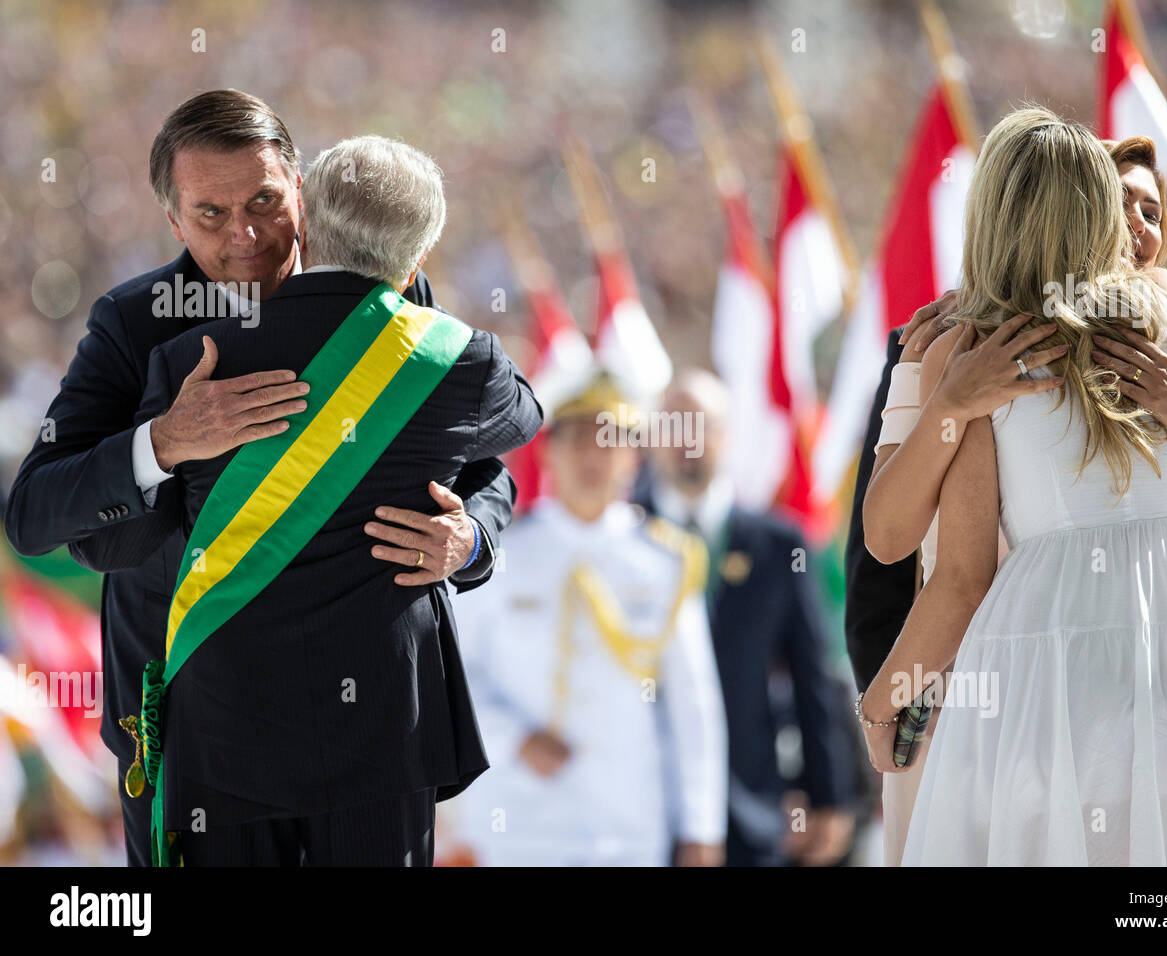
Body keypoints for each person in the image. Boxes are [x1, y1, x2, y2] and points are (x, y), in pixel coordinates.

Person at [2, 90, 518, 866]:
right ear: (172, 220)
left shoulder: (393, 296)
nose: (244, 233)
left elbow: (487, 468)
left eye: (265, 202)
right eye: (210, 214)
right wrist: (164, 442)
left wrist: (469, 537)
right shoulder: (136, 323)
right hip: (196, 727)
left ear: (301, 190)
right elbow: (34, 513)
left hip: (373, 726)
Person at [865, 107, 1167, 865]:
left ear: (997, 211)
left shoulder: (969, 347)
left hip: (1042, 671)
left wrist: (882, 700)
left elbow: (961, 578)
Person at [124, 134, 542, 865]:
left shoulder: (189, 360)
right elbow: (521, 423)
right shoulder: (460, 363)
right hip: (383, 733)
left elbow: (115, 536)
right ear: (416, 264)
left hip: (224, 731)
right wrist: (471, 533)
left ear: (304, 226)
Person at [452, 367, 728, 866]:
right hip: (518, 825)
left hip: (627, 826)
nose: (591, 456)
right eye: (577, 438)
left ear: (634, 458)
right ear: (547, 452)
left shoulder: (666, 562)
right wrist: (513, 738)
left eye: (609, 440)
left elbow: (694, 707)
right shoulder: (499, 556)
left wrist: (701, 830)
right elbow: (456, 675)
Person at [640, 369, 856, 866]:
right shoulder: (622, 537)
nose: (687, 441)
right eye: (674, 425)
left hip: (753, 814)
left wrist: (829, 798)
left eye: (701, 425)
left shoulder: (781, 546)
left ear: (728, 436)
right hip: (645, 812)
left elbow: (812, 677)